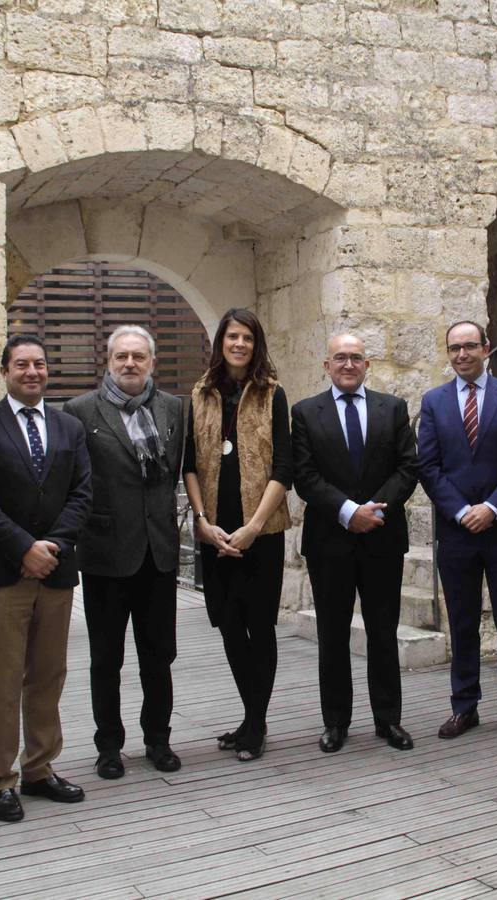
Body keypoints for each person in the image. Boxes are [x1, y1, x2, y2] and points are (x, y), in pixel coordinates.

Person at [0, 335, 92, 822]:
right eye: (21, 364)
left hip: (55, 569)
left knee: (49, 674)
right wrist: (23, 548)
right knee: (3, 677)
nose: (31, 372)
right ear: (4, 371)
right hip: (5, 570)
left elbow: (82, 492)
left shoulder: (68, 426)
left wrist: (51, 546)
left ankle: (39, 768)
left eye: (39, 364)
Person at [65, 325, 187, 780]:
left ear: (152, 362)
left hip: (158, 553)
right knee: (106, 660)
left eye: (138, 356)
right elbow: (74, 480)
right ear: (109, 361)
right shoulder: (80, 411)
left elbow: (178, 470)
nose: (130, 364)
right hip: (105, 554)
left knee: (159, 656)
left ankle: (158, 739)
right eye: (121, 356)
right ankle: (109, 747)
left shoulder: (173, 408)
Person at [292, 333, 419, 753]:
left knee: (383, 632)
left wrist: (374, 511)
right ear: (326, 365)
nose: (348, 364)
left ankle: (388, 720)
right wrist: (349, 512)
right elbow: (305, 476)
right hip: (330, 541)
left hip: (382, 538)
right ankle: (335, 722)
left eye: (356, 358)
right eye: (340, 358)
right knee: (332, 635)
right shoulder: (305, 412)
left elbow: (408, 467)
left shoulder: (393, 408)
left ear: (368, 365)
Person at [417, 320, 497, 740]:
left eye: (470, 346)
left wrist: (491, 507)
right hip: (456, 533)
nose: (462, 354)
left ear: (486, 348)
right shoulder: (433, 402)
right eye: (454, 348)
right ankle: (464, 706)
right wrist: (460, 511)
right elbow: (428, 467)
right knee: (462, 621)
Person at [183, 308, 292, 762]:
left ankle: (256, 725)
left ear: (256, 343)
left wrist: (253, 527)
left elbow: (283, 468)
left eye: (247, 337)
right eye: (232, 336)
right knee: (229, 626)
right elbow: (189, 464)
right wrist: (202, 521)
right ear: (221, 342)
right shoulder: (200, 393)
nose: (239, 344)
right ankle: (251, 718)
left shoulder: (272, 394)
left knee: (259, 628)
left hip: (260, 533)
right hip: (215, 534)